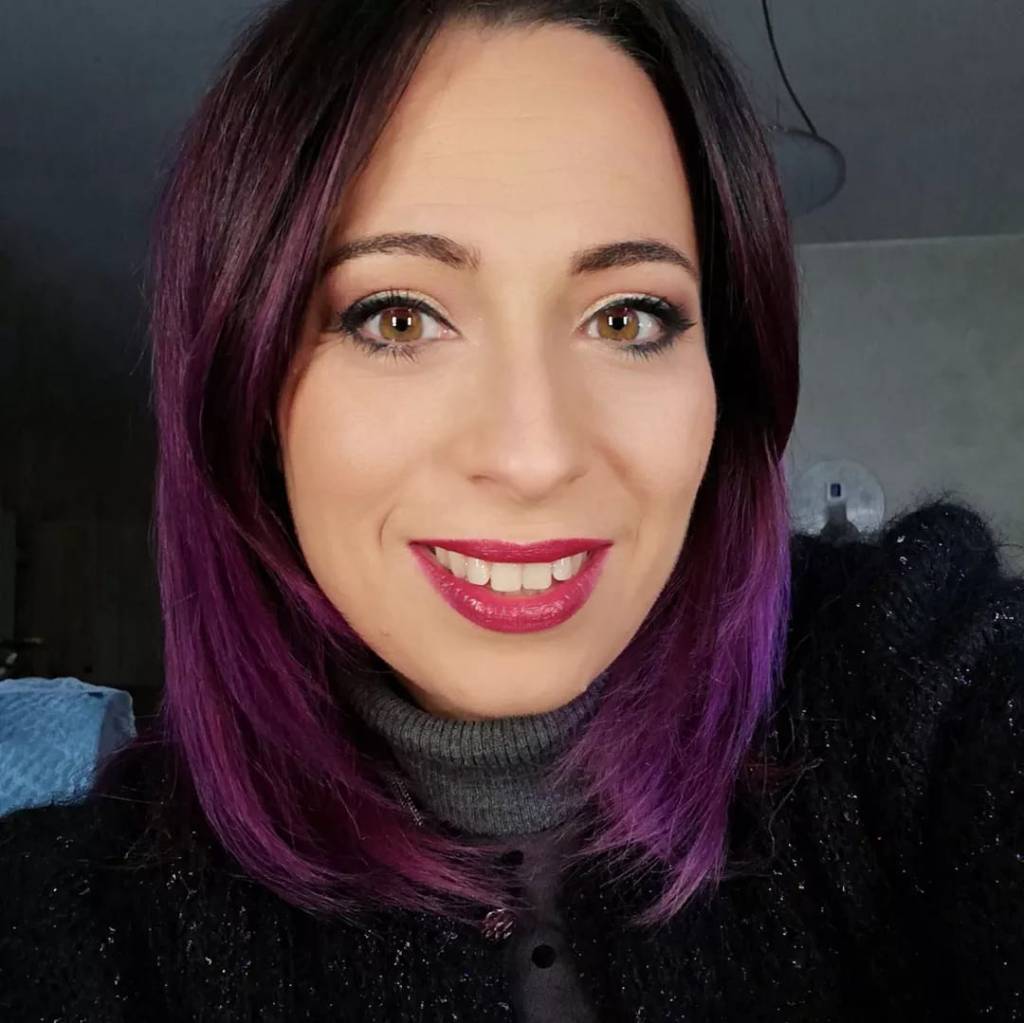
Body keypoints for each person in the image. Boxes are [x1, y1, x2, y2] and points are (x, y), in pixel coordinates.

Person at [2, 1, 1022, 1020]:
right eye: (399, 317)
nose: (534, 457)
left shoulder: (903, 683)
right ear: (250, 393)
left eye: (626, 318)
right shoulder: (78, 924)